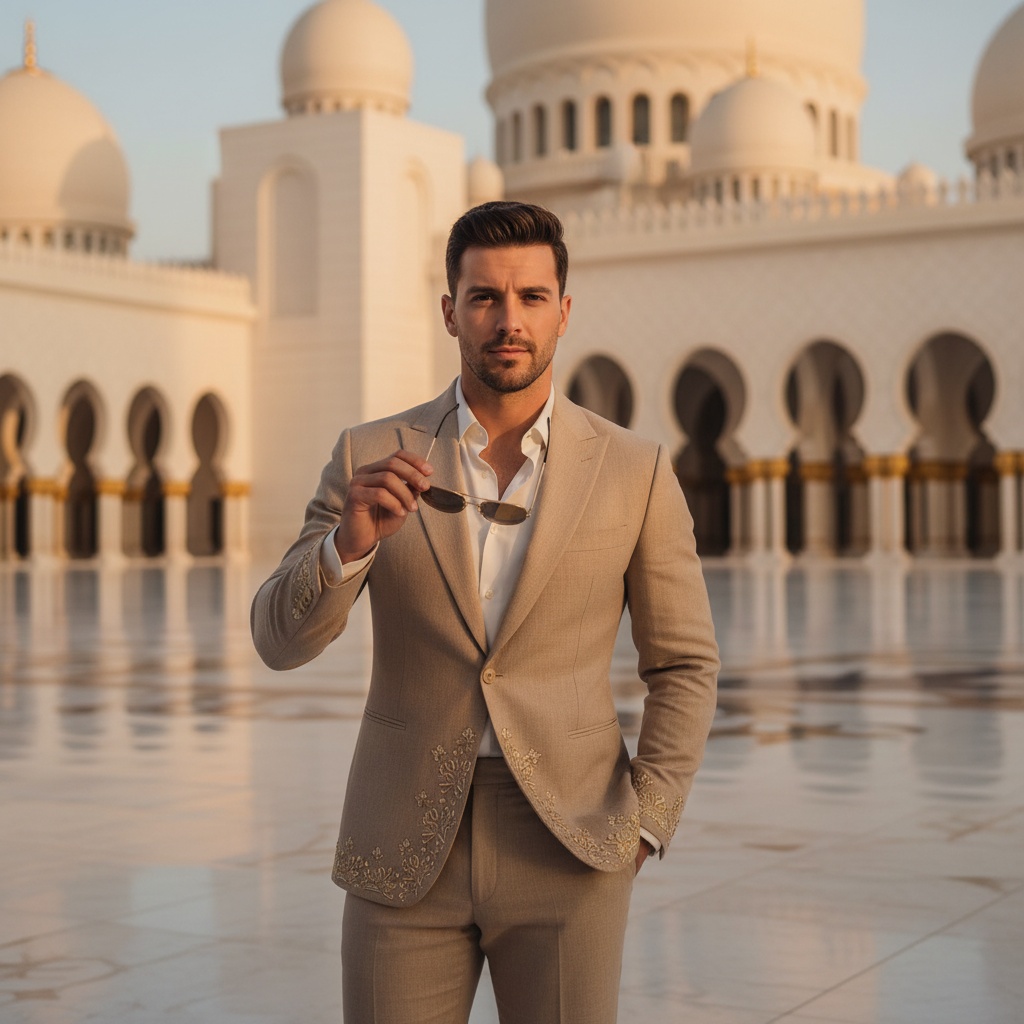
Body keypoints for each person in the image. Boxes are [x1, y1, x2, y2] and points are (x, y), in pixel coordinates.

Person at [251, 201, 719, 1024]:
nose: (509, 321)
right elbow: (277, 641)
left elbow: (683, 662)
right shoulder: (371, 454)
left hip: (571, 843)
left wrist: (646, 821)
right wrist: (347, 546)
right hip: (402, 840)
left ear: (564, 311)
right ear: (450, 311)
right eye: (485, 299)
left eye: (532, 298)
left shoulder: (634, 470)